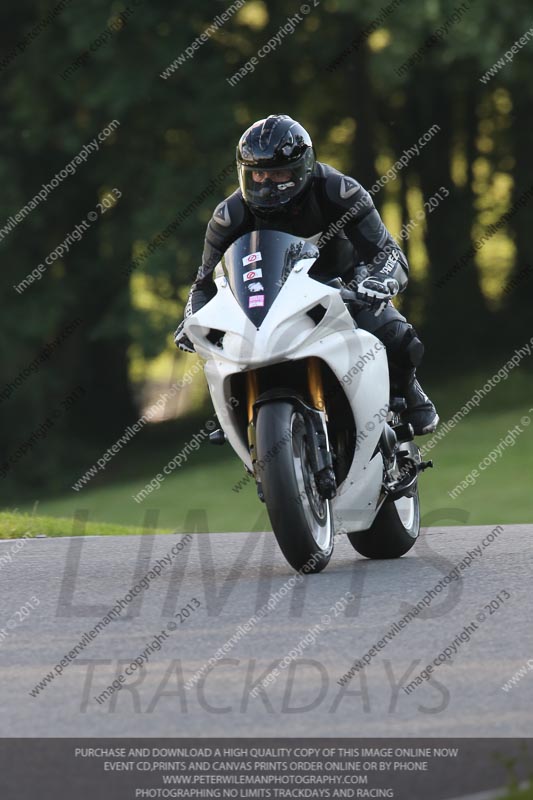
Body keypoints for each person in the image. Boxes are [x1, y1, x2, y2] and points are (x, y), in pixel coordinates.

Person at [174, 114, 438, 435]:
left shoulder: (338, 191)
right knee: (222, 346)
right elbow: (202, 284)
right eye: (257, 177)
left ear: (304, 167)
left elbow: (387, 251)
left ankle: (408, 389)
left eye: (279, 174)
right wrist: (193, 321)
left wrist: (380, 280)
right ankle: (235, 411)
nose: (267, 185)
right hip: (266, 303)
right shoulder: (228, 217)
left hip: (342, 287)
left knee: (398, 337)